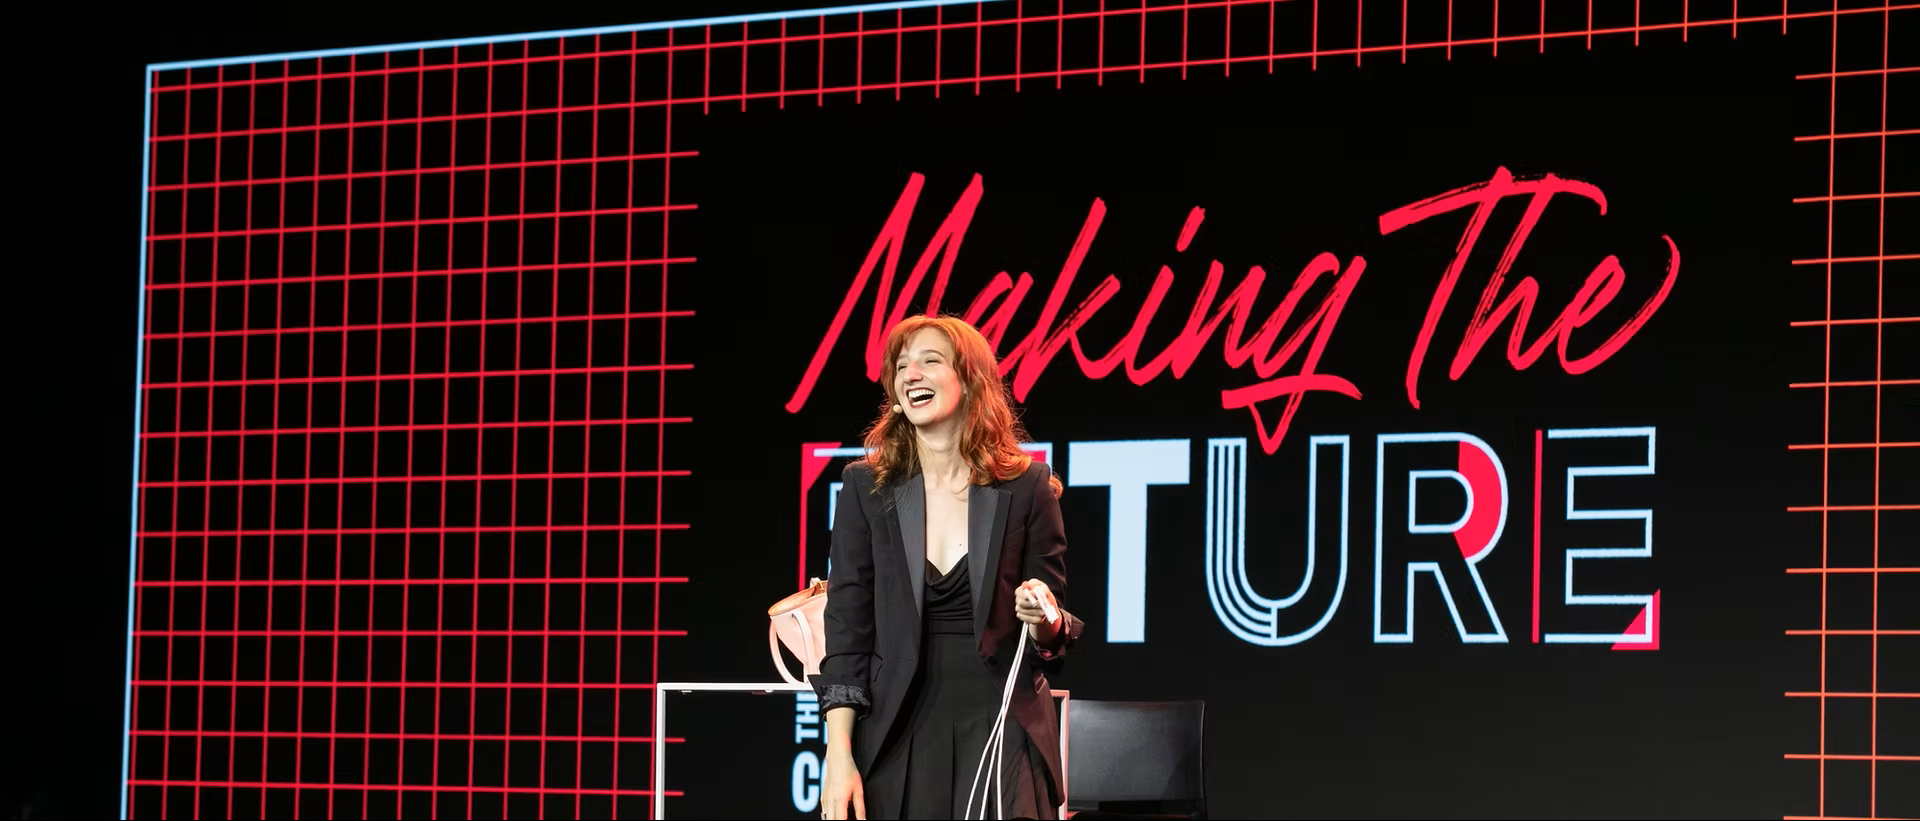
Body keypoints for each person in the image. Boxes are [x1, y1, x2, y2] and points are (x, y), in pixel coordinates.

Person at [814, 315, 1085, 820]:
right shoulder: (865, 489)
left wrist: (1044, 616)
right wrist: (839, 754)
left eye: (930, 361)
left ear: (970, 380)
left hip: (1003, 729)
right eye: (902, 366)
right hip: (895, 732)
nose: (911, 374)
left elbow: (1052, 637)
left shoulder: (1027, 486)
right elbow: (847, 634)